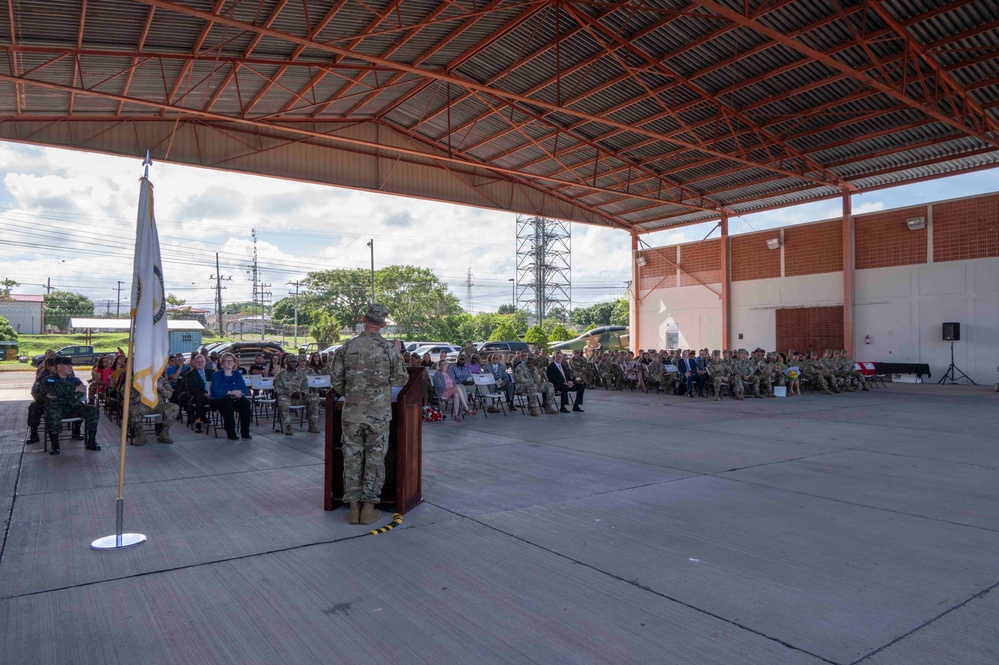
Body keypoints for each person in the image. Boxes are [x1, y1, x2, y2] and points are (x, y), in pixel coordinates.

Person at [328, 304, 409, 526]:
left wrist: (354, 393)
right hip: (379, 414)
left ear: (363, 319)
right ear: (383, 324)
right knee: (374, 459)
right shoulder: (389, 349)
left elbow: (336, 380)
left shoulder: (347, 347)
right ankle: (369, 508)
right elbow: (401, 379)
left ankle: (353, 508)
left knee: (352, 458)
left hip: (352, 413)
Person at [40, 357, 101, 454]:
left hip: (74, 406)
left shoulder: (75, 379)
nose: (70, 367)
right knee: (52, 414)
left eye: (71, 365)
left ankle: (91, 441)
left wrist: (64, 392)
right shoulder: (49, 380)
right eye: (67, 365)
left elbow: (82, 392)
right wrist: (74, 390)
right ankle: (55, 446)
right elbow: (53, 390)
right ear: (59, 367)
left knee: (92, 410)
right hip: (58, 407)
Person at [209, 352, 253, 440]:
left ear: (234, 363)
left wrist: (239, 392)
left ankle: (245, 432)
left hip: (234, 399)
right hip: (219, 399)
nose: (229, 363)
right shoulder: (216, 375)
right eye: (226, 361)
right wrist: (229, 392)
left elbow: (245, 389)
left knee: (245, 403)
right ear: (222, 363)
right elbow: (214, 391)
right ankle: (231, 433)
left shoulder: (237, 374)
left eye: (231, 361)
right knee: (228, 405)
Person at [273, 354, 320, 435]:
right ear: (287, 362)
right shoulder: (280, 375)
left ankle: (312, 425)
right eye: (291, 362)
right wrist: (291, 393)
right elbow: (278, 389)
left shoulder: (301, 375)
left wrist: (302, 393)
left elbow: (305, 387)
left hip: (300, 398)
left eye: (295, 362)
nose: (293, 364)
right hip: (287, 398)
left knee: (314, 398)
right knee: (282, 401)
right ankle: (288, 426)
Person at [130, 372, 180, 446]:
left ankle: (164, 433)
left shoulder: (160, 379)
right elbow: (124, 393)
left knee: (174, 407)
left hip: (158, 404)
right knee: (133, 410)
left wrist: (161, 388)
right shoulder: (136, 378)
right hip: (141, 405)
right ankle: (141, 435)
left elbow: (169, 394)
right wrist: (136, 387)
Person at [26, 356, 58, 444]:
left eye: (57, 365)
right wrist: (45, 397)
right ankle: (34, 434)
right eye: (52, 365)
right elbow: (35, 392)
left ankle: (76, 432)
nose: (55, 368)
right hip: (45, 403)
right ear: (47, 366)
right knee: (33, 407)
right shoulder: (41, 378)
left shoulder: (66, 377)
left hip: (61, 404)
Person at [185, 354, 214, 432]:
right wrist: (204, 393)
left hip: (212, 395)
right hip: (198, 396)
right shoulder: (190, 375)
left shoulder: (212, 373)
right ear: (194, 363)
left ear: (205, 362)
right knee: (200, 401)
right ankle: (198, 423)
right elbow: (191, 389)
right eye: (197, 362)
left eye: (202, 361)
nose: (200, 363)